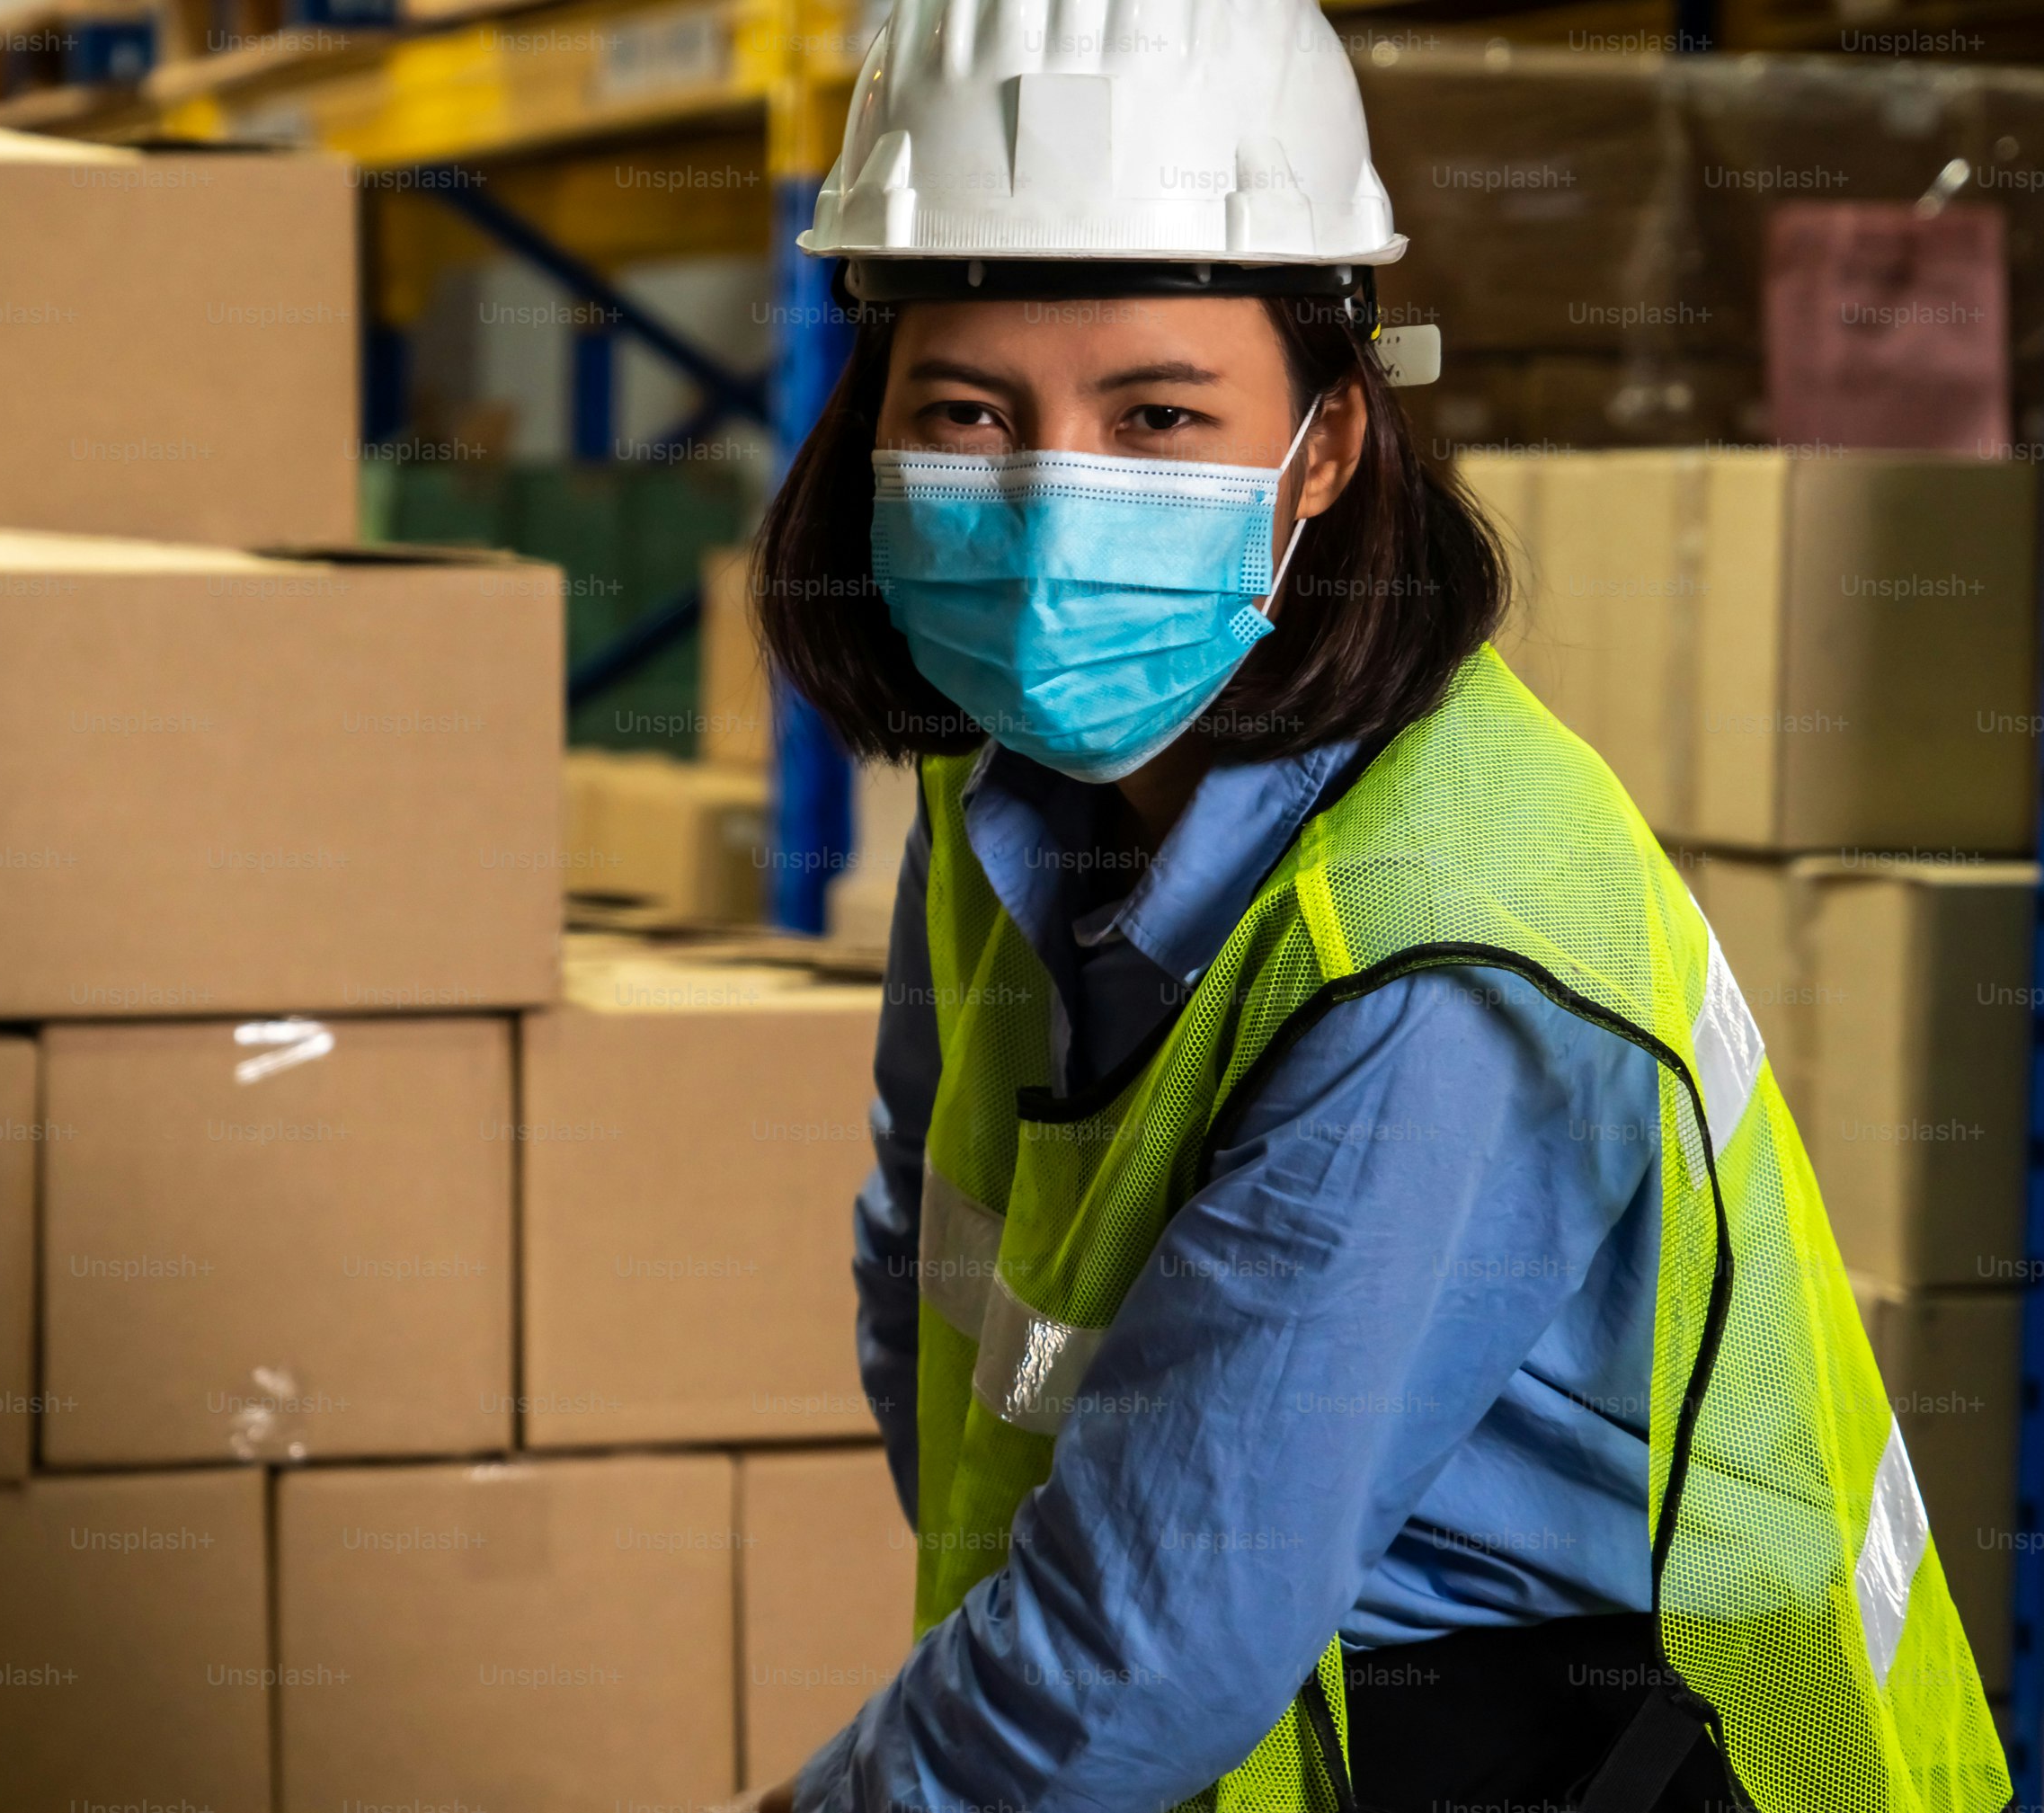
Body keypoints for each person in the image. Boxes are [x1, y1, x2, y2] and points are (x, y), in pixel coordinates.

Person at [733, 3, 2011, 1809]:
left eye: (1160, 416)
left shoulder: (1441, 952)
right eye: (967, 412)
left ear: (1326, 448)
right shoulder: (1002, 777)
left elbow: (1142, 1656)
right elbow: (934, 1300)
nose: (1046, 505)